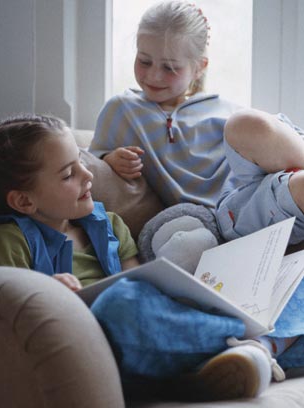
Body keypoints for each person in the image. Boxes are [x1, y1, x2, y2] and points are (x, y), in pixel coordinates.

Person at [88, 0, 304, 398]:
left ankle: (249, 349)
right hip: (209, 230)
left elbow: (257, 167)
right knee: (119, 305)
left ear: (200, 66)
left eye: (170, 67)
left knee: (248, 124)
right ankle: (262, 347)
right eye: (143, 60)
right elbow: (88, 170)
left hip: (254, 203)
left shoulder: (224, 111)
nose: (154, 75)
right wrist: (107, 158)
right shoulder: (122, 110)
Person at [0, 112, 289, 401]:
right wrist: (49, 291)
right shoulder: (11, 240)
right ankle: (251, 342)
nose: (88, 175)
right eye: (68, 174)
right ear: (24, 200)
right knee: (120, 305)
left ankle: (225, 364)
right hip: (100, 340)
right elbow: (8, 310)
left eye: (82, 163)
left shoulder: (110, 224)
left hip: (154, 334)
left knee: (289, 289)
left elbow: (141, 281)